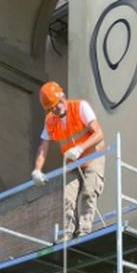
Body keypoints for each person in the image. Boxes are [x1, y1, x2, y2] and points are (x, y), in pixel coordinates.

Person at [31, 81, 105, 239]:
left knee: (89, 192)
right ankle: (68, 235)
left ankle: (84, 232)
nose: (55, 109)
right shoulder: (50, 121)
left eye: (57, 104)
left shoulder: (80, 107)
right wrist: (37, 170)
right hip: (72, 162)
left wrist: (80, 148)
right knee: (67, 198)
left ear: (62, 96)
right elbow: (43, 147)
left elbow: (99, 134)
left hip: (93, 155)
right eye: (51, 107)